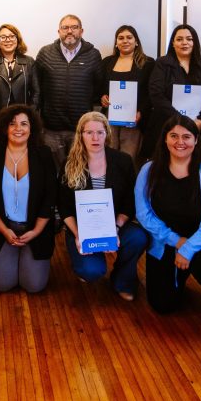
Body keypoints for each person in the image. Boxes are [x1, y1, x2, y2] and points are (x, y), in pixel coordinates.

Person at [134, 115, 201, 320]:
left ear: (196, 140)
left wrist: (187, 248)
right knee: (162, 305)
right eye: (174, 136)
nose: (180, 142)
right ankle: (179, 276)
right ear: (165, 139)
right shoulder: (149, 170)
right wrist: (176, 241)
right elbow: (143, 213)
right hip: (164, 241)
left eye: (186, 137)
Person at [58, 113, 148, 301]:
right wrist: (78, 235)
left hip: (115, 224)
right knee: (91, 271)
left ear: (107, 134)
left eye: (100, 132)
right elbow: (64, 207)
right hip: (81, 229)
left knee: (138, 237)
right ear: (81, 134)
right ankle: (84, 265)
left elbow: (129, 202)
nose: (95, 138)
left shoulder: (123, 160)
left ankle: (122, 280)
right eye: (89, 132)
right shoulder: (70, 163)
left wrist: (115, 228)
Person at [0, 105, 57, 293]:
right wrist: (5, 230)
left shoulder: (44, 153)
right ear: (4, 128)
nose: (18, 128)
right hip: (3, 228)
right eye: (12, 124)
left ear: (32, 128)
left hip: (35, 229)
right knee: (1, 284)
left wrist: (36, 231)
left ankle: (26, 256)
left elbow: (50, 197)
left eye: (24, 124)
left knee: (34, 286)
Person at [35, 14, 103, 169]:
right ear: (59, 31)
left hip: (81, 129)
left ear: (81, 31)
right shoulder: (45, 53)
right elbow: (37, 88)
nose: (70, 31)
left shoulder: (93, 55)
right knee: (52, 172)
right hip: (51, 129)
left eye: (74, 27)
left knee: (79, 171)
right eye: (65, 27)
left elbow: (98, 88)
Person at [146, 24, 201, 156]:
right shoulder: (162, 63)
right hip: (166, 124)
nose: (184, 43)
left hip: (197, 126)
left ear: (194, 42)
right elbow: (156, 95)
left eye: (189, 39)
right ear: (173, 43)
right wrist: (179, 120)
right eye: (179, 39)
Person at [97, 25, 154, 160]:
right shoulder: (107, 62)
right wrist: (102, 97)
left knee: (128, 158)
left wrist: (141, 112)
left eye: (129, 37)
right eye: (121, 38)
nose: (125, 41)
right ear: (116, 43)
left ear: (136, 41)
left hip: (134, 120)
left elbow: (151, 92)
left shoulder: (147, 63)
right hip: (110, 118)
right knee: (108, 156)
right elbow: (100, 87)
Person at [0, 23, 39, 139]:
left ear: (18, 39)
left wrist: (28, 118)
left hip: (22, 121)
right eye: (3, 37)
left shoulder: (29, 62)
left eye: (11, 36)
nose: (8, 40)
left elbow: (36, 94)